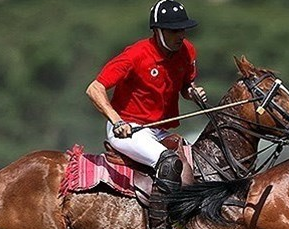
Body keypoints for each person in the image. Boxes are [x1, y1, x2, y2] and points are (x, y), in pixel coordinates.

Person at [85, 1, 206, 228]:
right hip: (129, 129)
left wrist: (192, 92)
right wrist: (117, 120)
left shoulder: (187, 51)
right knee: (168, 162)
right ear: (158, 31)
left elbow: (185, 87)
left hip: (159, 130)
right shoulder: (135, 55)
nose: (180, 35)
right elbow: (94, 88)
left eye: (183, 29)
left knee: (199, 162)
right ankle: (160, 225)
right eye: (174, 30)